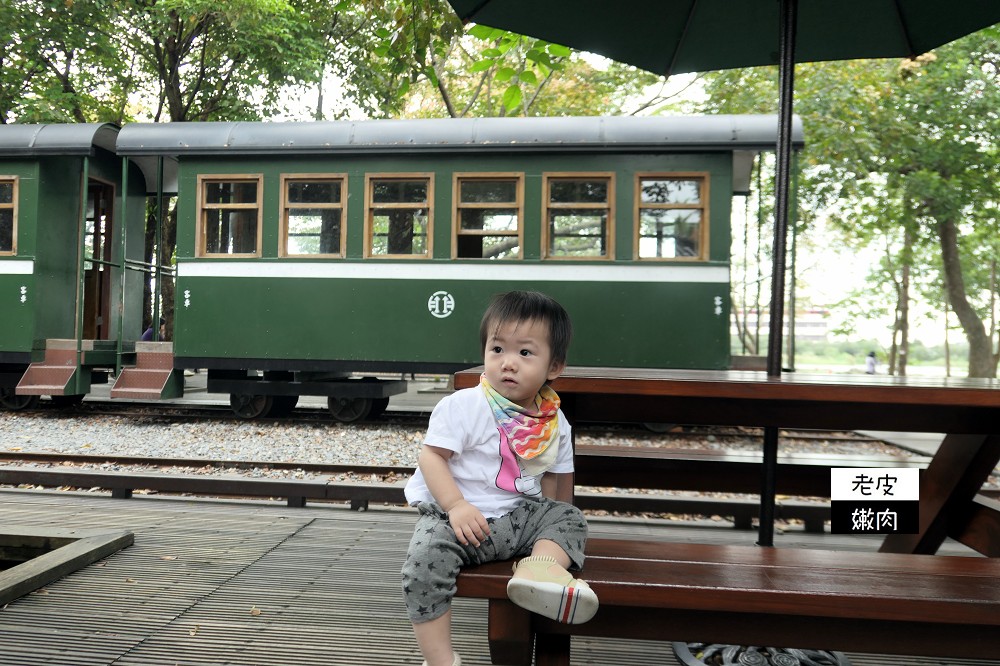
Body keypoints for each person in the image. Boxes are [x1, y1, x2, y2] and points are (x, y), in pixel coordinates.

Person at [401, 291, 598, 666]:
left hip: (519, 520)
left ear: (553, 366)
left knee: (569, 518)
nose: (508, 363)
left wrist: (552, 531)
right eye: (497, 349)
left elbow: (560, 487)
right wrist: (456, 505)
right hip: (458, 521)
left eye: (525, 353)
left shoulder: (554, 423)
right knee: (423, 561)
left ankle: (540, 569)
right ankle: (441, 659)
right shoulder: (463, 406)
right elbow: (431, 457)